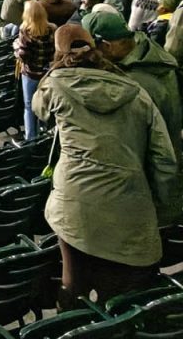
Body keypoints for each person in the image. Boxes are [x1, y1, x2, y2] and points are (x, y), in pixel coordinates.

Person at [33, 24, 179, 307]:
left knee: (73, 284)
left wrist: (56, 67)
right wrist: (159, 211)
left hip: (74, 203)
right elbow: (165, 160)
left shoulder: (56, 85)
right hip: (130, 206)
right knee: (122, 297)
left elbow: (39, 108)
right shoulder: (136, 92)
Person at [83, 6, 183, 165]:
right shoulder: (151, 55)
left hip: (147, 166)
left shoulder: (132, 83)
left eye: (91, 48)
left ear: (107, 46)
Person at [14, 0, 55, 141]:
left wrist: (16, 47)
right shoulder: (52, 29)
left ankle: (31, 138)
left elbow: (23, 55)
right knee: (44, 104)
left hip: (31, 74)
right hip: (47, 74)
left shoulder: (25, 31)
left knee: (29, 106)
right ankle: (45, 132)